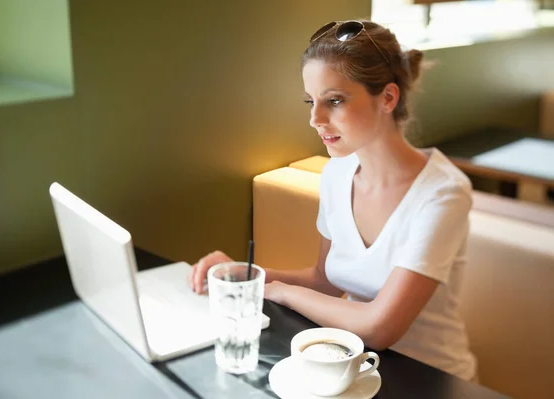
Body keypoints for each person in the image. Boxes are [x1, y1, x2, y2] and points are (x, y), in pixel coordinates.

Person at [188, 20, 477, 381]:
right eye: (311, 101)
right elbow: (325, 280)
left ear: (388, 97)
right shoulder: (338, 174)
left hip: (428, 381)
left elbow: (380, 328)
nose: (314, 119)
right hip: (354, 370)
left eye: (334, 101)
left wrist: (280, 291)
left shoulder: (442, 194)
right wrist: (243, 275)